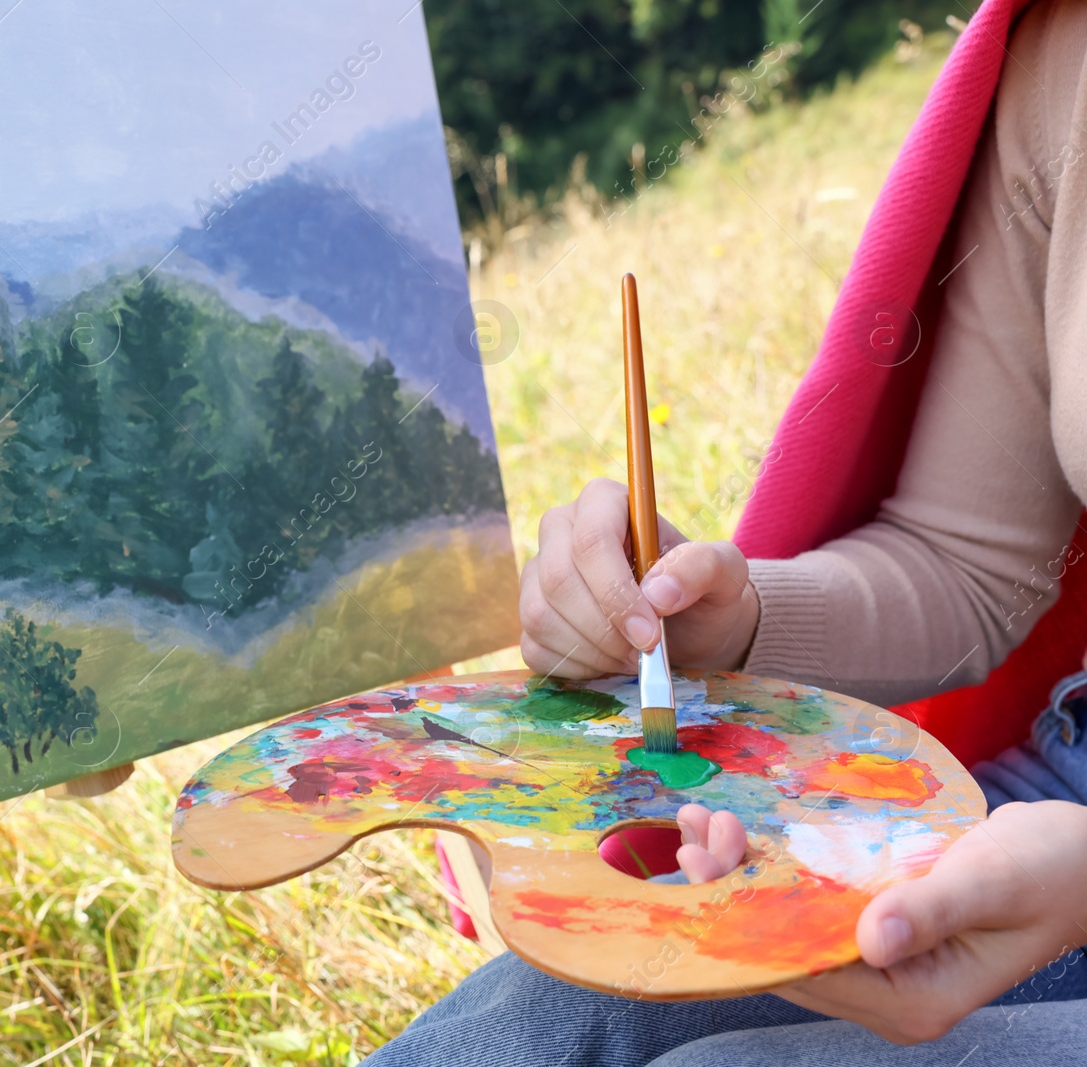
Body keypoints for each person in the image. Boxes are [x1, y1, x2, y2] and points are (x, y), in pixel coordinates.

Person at [363, 0, 1087, 1061]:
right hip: (1056, 798)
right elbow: (967, 560)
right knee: (543, 1021)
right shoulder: (1065, 59)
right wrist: (728, 624)